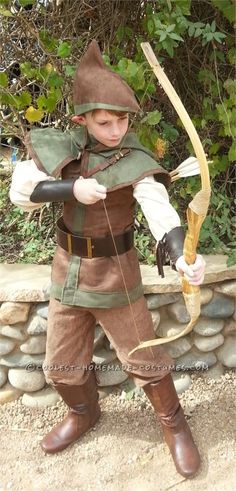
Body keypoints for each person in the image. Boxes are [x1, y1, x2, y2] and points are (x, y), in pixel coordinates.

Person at [10, 40, 205, 478]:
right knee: (59, 364)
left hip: (117, 276)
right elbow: (19, 191)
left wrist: (181, 257)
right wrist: (69, 188)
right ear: (82, 119)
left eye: (122, 120)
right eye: (104, 122)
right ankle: (84, 414)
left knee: (145, 360)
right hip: (68, 275)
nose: (116, 130)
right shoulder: (60, 148)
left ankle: (173, 425)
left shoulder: (133, 157)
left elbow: (159, 208)